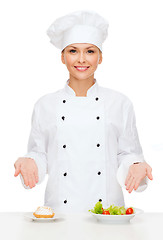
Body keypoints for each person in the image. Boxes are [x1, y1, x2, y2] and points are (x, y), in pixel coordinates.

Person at [14, 11, 153, 213]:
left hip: (107, 212)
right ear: (62, 57)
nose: (81, 59)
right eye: (72, 51)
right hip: (59, 213)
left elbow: (127, 154)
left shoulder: (120, 103)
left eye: (90, 51)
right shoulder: (44, 105)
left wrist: (136, 165)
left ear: (101, 57)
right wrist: (30, 161)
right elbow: (40, 154)